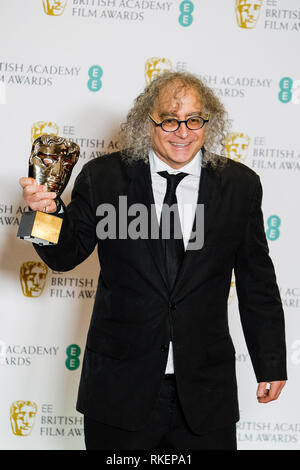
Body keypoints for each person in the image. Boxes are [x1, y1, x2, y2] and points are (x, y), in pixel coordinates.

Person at [19, 71, 287, 450]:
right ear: (148, 121)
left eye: (194, 119)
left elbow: (257, 283)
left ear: (208, 123)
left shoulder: (240, 186)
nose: (183, 131)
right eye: (170, 119)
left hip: (206, 394)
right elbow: (64, 257)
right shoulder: (104, 178)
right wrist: (40, 213)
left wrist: (271, 363)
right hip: (117, 392)